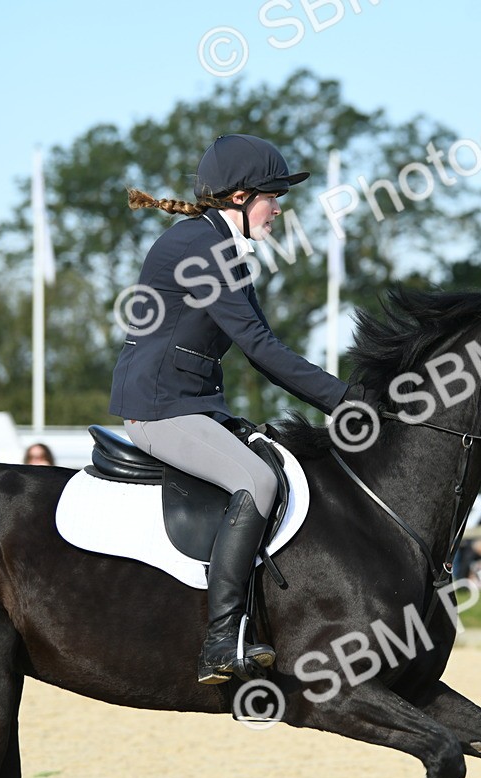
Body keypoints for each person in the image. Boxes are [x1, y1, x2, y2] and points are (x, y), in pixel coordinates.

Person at [110, 134, 376, 685]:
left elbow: (263, 345)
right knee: (256, 481)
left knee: (275, 464)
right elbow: (263, 351)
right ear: (237, 197)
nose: (279, 208)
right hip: (160, 408)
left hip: (191, 404)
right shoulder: (203, 249)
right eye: (272, 196)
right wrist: (347, 401)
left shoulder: (217, 245)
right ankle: (220, 640)